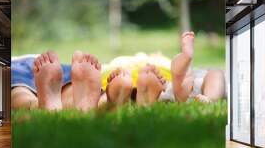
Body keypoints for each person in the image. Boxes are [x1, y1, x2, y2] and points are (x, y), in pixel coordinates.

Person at [11, 32, 226, 111]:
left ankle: (45, 105)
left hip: (102, 76)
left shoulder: (131, 62)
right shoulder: (158, 64)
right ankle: (105, 102)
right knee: (71, 85)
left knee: (19, 90)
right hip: (100, 77)